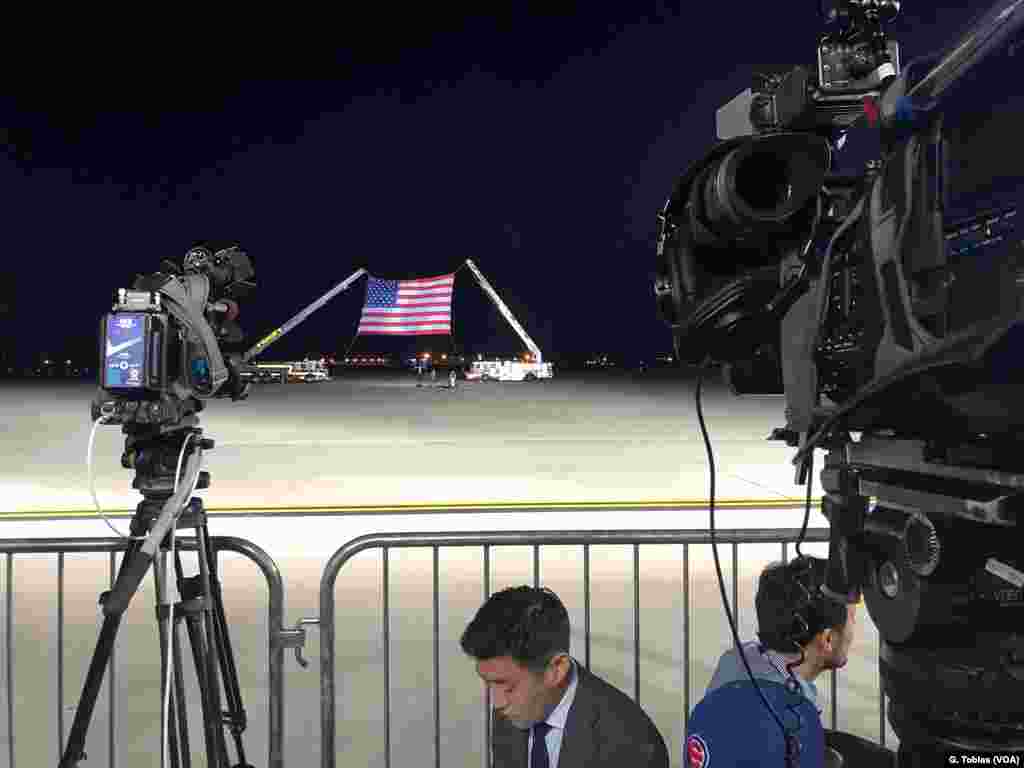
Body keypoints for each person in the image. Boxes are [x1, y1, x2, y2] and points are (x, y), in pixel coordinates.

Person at [685, 556, 895, 767]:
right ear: (828, 640)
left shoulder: (734, 660)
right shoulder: (795, 716)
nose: (853, 628)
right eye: (852, 619)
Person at [461, 586, 669, 768]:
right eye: (488, 682)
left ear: (557, 669)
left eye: (507, 685)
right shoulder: (511, 714)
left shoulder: (630, 741)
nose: (497, 703)